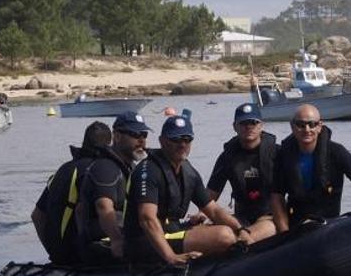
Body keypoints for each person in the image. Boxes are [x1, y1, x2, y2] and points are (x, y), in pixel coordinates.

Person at [122, 114, 248, 267]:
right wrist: (171, 257)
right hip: (144, 240)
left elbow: (213, 210)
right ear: (162, 141)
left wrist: (241, 230)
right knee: (224, 236)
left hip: (172, 231)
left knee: (233, 228)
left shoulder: (188, 172)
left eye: (187, 139)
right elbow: (147, 219)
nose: (182, 144)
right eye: (176, 140)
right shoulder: (148, 171)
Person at [270, 104, 351, 232]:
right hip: (298, 227)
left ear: (319, 126)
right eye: (300, 124)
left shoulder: (336, 151)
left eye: (311, 124)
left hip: (330, 226)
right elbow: (276, 197)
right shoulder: (283, 155)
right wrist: (285, 234)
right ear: (292, 126)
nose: (306, 129)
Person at [72, 111, 152, 265]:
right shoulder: (105, 167)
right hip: (101, 244)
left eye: (144, 134)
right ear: (116, 136)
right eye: (135, 134)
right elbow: (103, 206)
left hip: (125, 236)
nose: (141, 140)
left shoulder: (131, 168)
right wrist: (116, 240)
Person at [32, 122, 113, 265]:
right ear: (109, 145)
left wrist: (53, 252)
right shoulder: (99, 172)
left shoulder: (63, 169)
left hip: (59, 255)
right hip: (80, 256)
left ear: (84, 142)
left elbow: (37, 216)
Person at [206, 102, 279, 244]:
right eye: (243, 123)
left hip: (269, 216)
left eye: (253, 122)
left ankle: (244, 244)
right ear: (235, 126)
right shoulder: (227, 156)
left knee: (260, 231)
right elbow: (210, 195)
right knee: (218, 233)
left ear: (261, 125)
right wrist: (201, 214)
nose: (249, 127)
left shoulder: (276, 152)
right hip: (241, 217)